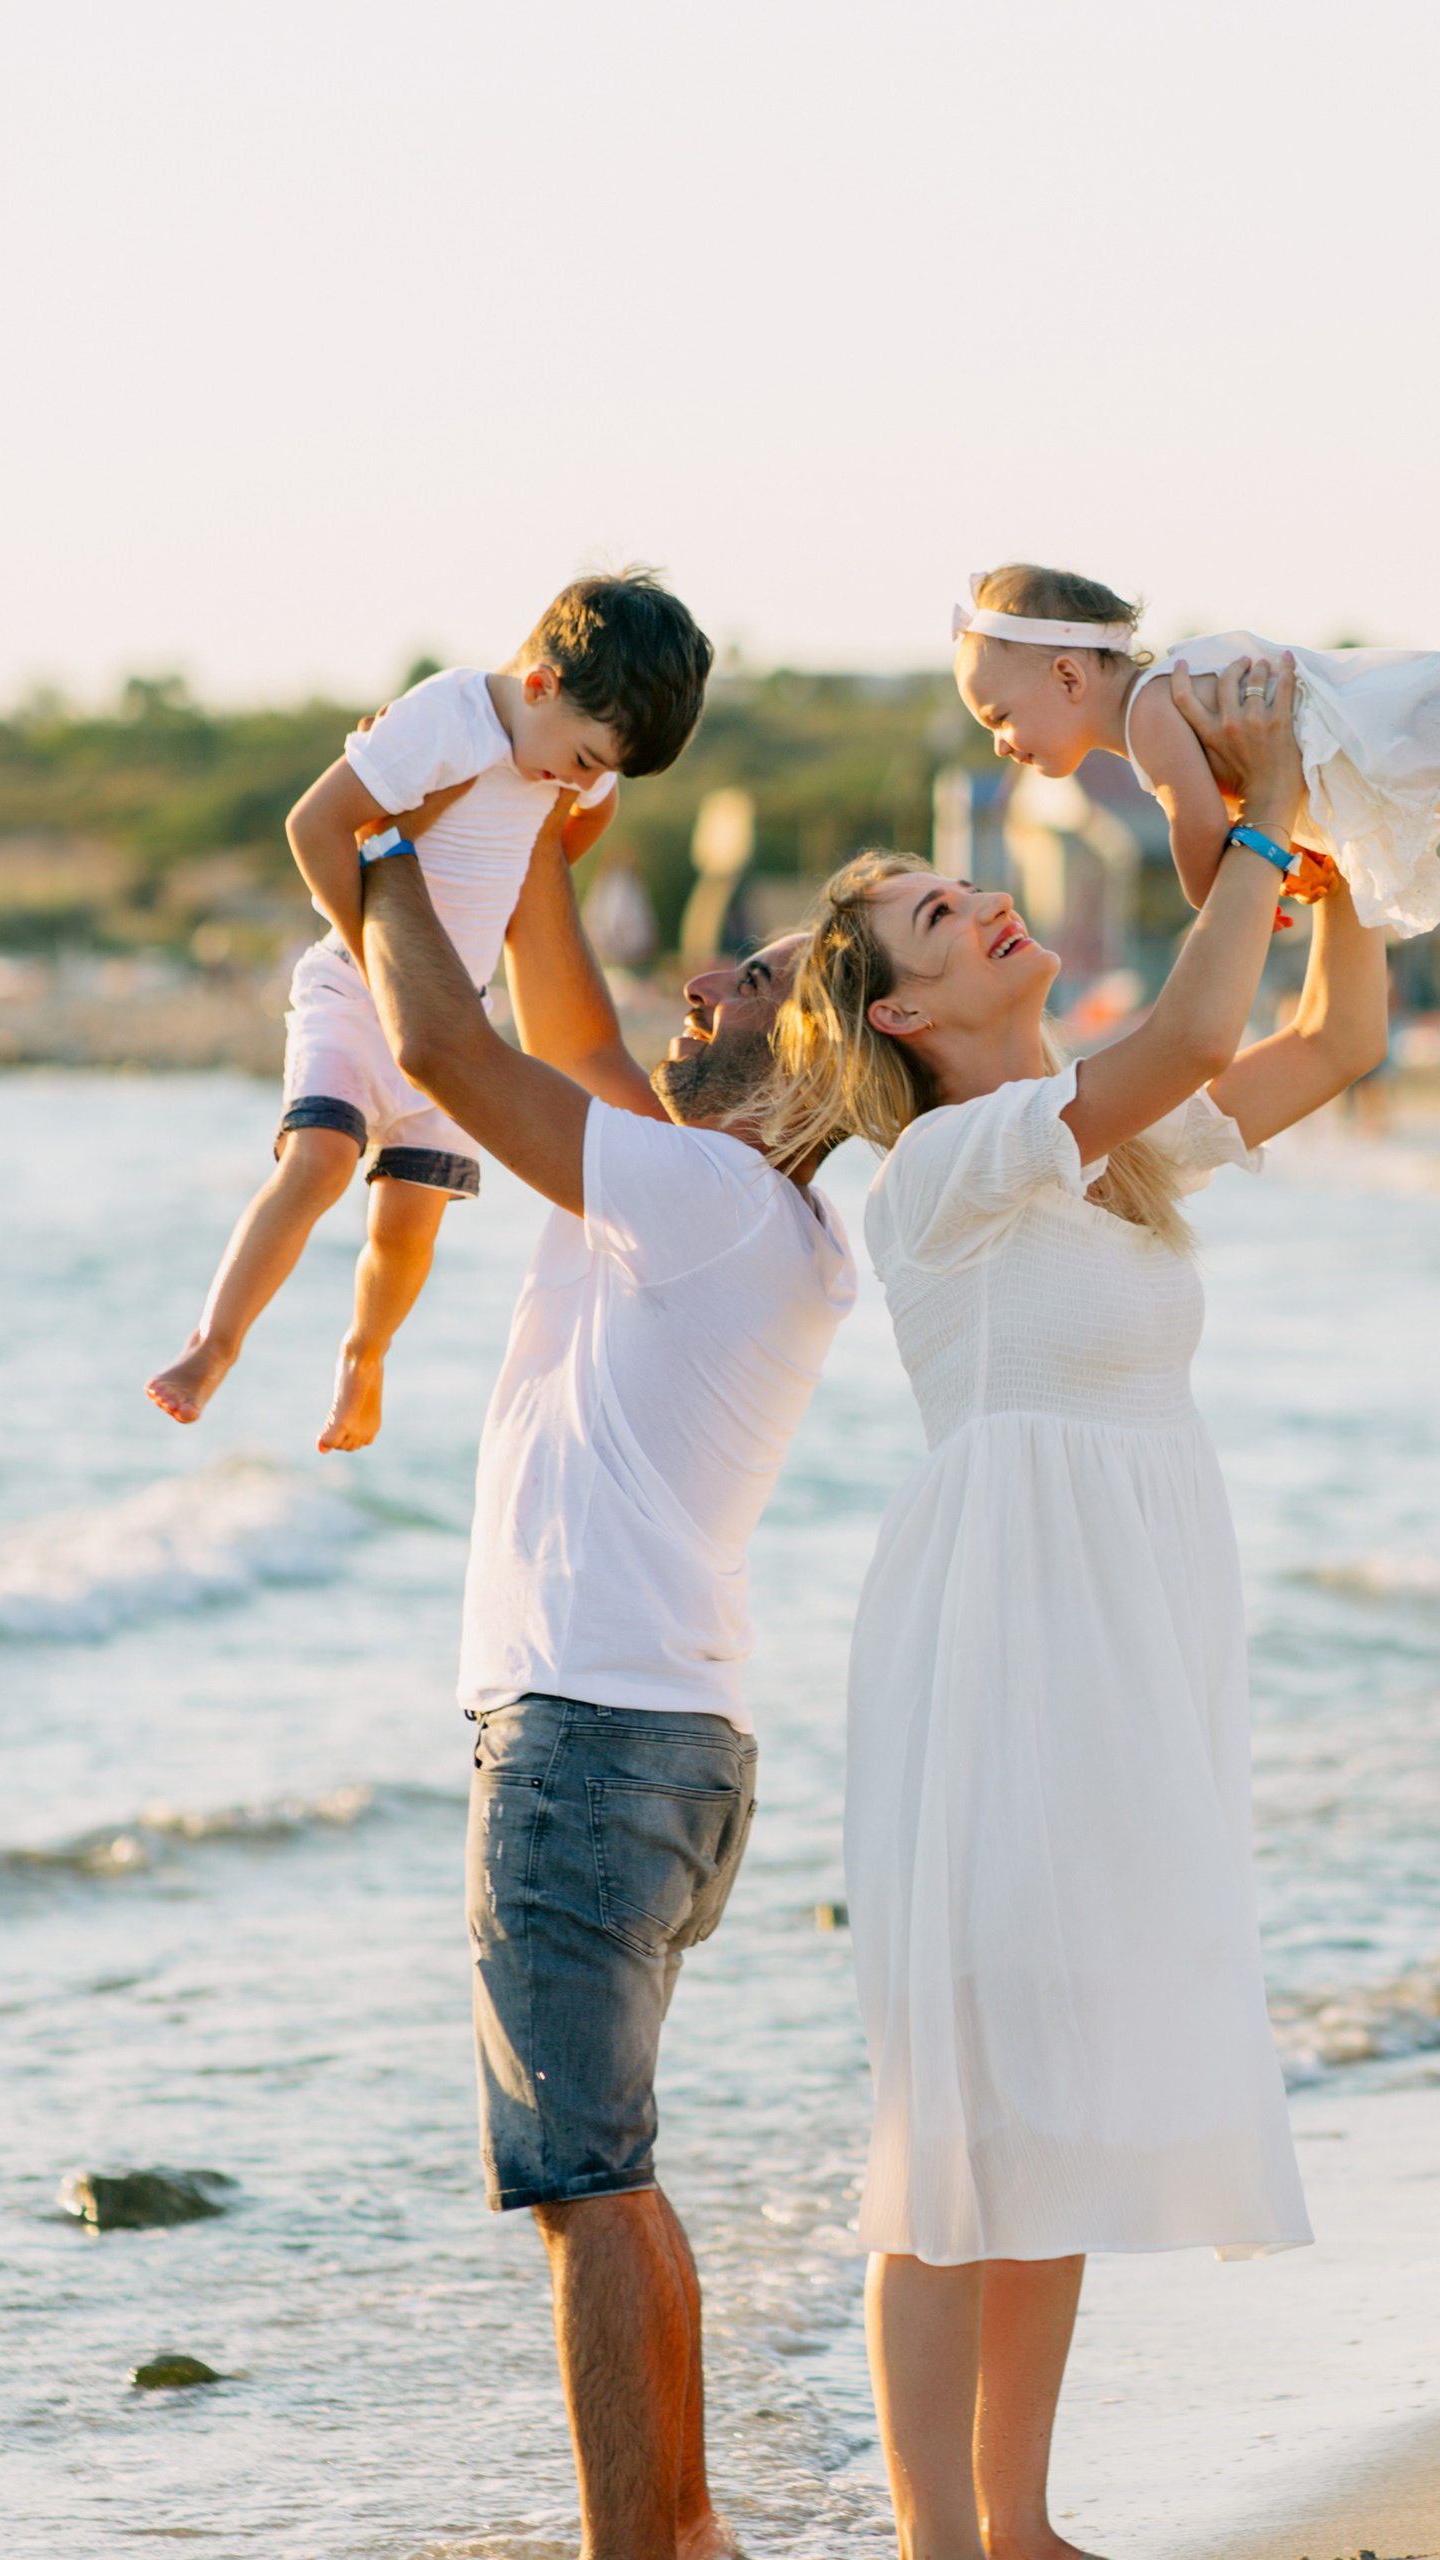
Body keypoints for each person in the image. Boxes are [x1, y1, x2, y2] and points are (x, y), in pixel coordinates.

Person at [762, 659, 1378, 2560]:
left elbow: (1328, 1042)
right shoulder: (940, 1167)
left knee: (1059, 2090)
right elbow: (1202, 1023)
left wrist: (1334, 867)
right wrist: (1254, 808)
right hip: (1005, 1642)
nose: (981, 903)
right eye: (938, 920)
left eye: (961, 888)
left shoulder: (1108, 1159)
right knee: (956, 2107)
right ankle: (937, 2544)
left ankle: (1017, 2529)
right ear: (907, 1014)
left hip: (1126, 1635)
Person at [354, 802, 853, 2560]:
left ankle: (656, 2546)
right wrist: (544, 836)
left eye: (763, 984)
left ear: (819, 1065)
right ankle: (681, 2533)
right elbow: (565, 1029)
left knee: (589, 2179)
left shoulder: (705, 1197)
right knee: (606, 2167)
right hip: (666, 1742)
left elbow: (439, 1041)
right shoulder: (737, 1205)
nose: (708, 981)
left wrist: (382, 840)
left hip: (586, 1742)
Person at [145, 571, 712, 1451]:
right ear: (540, 685)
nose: (589, 780)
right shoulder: (447, 718)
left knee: (408, 1226)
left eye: (606, 771)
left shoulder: (566, 760)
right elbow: (315, 825)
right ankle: (212, 1347)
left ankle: (365, 1357)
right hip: (352, 984)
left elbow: (566, 836)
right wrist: (381, 957)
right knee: (320, 1162)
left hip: (459, 1020)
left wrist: (558, 817)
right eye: (590, 760)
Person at [950, 555, 1440, 941]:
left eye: (1000, 716)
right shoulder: (1156, 704)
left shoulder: (1149, 713)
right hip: (1374, 743)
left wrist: (1223, 898)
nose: (999, 743)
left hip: (1378, 727)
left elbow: (1197, 825)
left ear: (1070, 675)